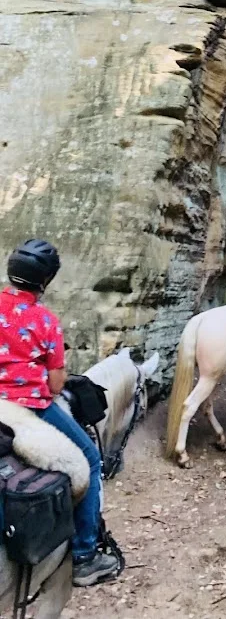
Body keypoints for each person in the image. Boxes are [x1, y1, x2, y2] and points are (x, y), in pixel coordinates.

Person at [0, 239, 120, 586]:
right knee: (91, 461)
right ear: (45, 280)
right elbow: (55, 386)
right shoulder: (46, 321)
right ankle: (84, 556)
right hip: (27, 406)